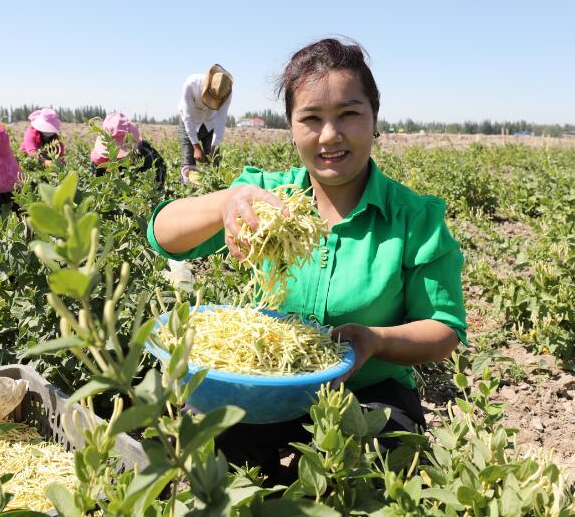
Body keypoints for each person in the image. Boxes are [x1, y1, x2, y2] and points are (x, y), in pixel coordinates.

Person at [147, 38, 466, 483]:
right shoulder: (266, 198)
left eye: (349, 114)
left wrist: (373, 340)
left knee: (360, 470)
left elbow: (443, 327)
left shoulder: (414, 218)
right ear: (292, 127)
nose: (330, 135)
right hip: (265, 379)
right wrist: (227, 201)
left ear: (374, 119)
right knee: (208, 459)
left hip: (365, 391)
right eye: (311, 119)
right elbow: (164, 235)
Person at [178, 64, 233, 183]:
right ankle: (187, 195)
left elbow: (221, 119)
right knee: (188, 165)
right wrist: (196, 147)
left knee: (214, 164)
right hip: (189, 124)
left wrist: (214, 146)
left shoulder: (226, 90)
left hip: (210, 124)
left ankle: (213, 192)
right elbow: (188, 118)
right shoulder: (191, 84)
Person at [91, 112, 166, 188]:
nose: (117, 158)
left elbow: (159, 169)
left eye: (120, 154)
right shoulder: (99, 158)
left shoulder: (145, 153)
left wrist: (153, 190)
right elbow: (97, 183)